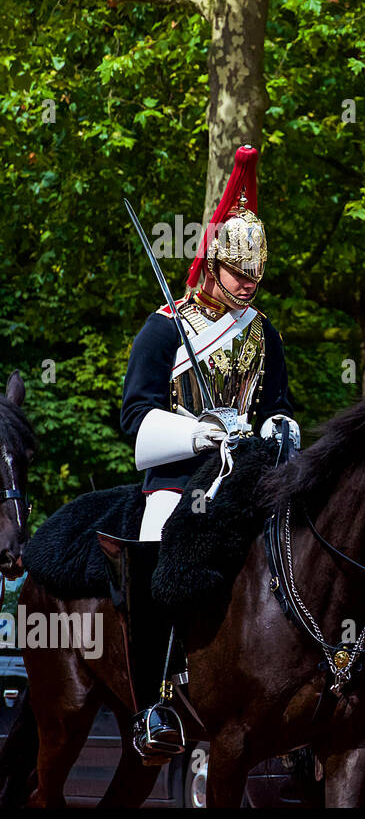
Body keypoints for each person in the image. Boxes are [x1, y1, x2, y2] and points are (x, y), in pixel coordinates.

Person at [119, 144, 297, 756]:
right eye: (239, 273)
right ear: (213, 264)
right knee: (155, 547)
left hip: (245, 475)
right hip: (177, 477)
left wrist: (279, 428)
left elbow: (277, 403)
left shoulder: (263, 332)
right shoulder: (164, 328)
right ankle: (156, 702)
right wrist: (193, 432)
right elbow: (135, 416)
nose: (249, 285)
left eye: (256, 275)